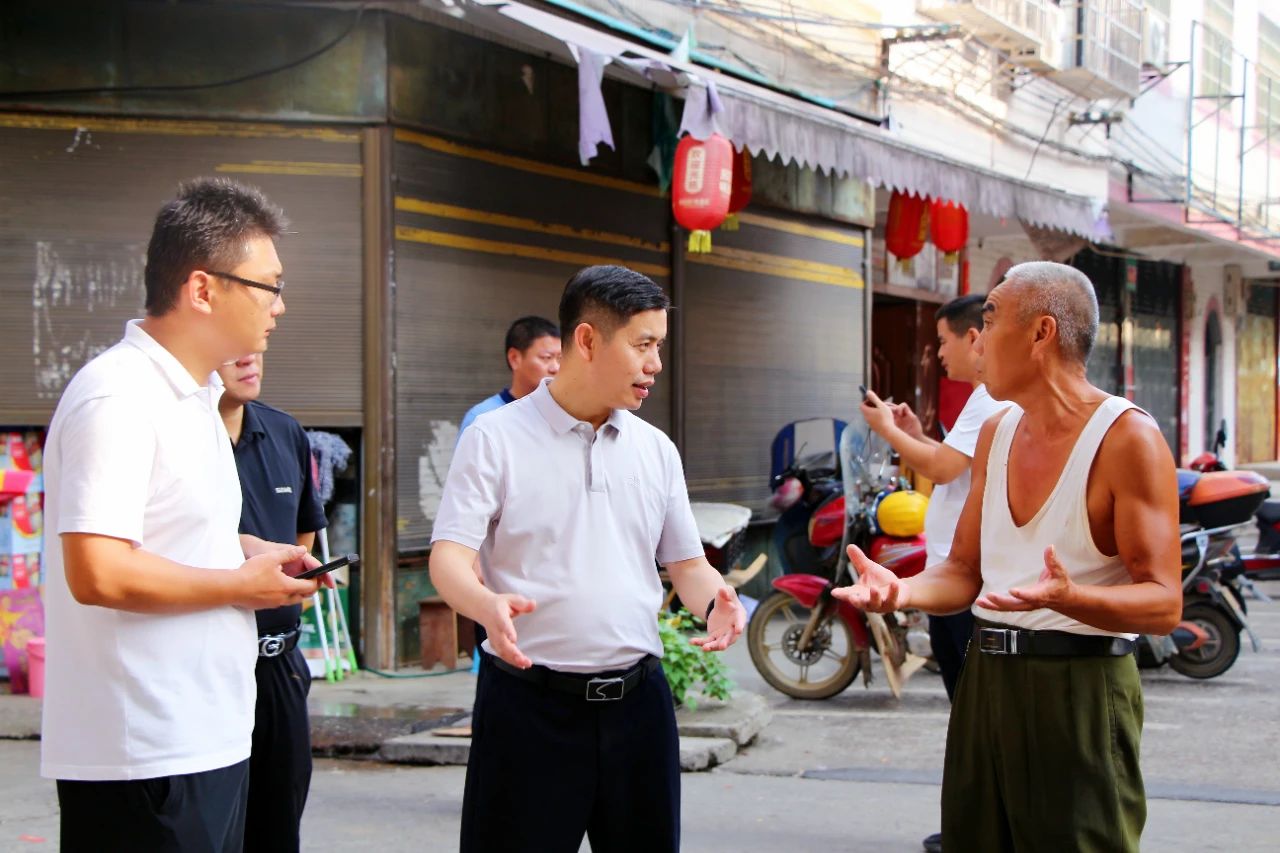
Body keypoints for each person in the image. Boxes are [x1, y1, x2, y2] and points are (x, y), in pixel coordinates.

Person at [834, 261, 1182, 852]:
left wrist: (1073, 599)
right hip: (987, 677)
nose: (977, 342)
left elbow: (1164, 603)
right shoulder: (996, 430)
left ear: (1042, 333)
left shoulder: (1126, 438)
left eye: (990, 322)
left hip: (1080, 686)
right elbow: (963, 571)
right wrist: (902, 591)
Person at [40, 178, 324, 852]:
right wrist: (237, 584)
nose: (280, 305)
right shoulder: (118, 397)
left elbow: (175, 532)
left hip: (209, 733)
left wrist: (252, 550)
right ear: (202, 289)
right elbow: (99, 570)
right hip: (145, 753)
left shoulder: (196, 398)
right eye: (269, 285)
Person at [430, 264, 748, 853]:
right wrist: (483, 603)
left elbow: (687, 565)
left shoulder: (656, 449)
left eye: (659, 346)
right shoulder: (495, 437)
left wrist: (715, 602)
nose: (655, 364)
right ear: (587, 340)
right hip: (529, 709)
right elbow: (448, 556)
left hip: (639, 710)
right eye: (643, 345)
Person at [860, 294, 1009, 853]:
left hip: (966, 579)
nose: (938, 354)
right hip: (953, 573)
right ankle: (975, 824)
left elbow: (944, 468)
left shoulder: (990, 395)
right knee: (968, 710)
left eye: (943, 341)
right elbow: (953, 465)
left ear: (975, 337)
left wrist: (889, 430)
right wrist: (915, 433)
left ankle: (981, 829)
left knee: (975, 713)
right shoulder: (982, 398)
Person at [218, 352, 329, 853]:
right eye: (233, 347)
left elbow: (303, 532)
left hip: (280, 662)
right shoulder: (181, 433)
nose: (249, 359)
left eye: (258, 346)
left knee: (279, 822)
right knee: (214, 824)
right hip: (211, 661)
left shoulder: (285, 432)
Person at [458, 315, 562, 437]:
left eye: (560, 359)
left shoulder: (563, 415)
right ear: (514, 358)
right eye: (546, 357)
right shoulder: (481, 418)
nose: (556, 368)